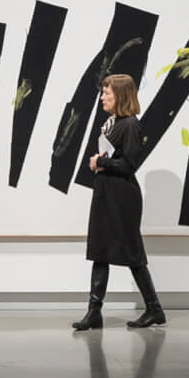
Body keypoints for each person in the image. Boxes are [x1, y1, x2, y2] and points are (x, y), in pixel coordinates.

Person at [72, 74, 164, 332]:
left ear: (121, 96)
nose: (102, 97)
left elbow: (130, 163)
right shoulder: (112, 123)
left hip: (122, 196)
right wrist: (100, 162)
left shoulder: (131, 125)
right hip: (106, 191)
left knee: (132, 253)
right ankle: (94, 312)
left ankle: (154, 308)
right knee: (100, 250)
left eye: (107, 94)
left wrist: (100, 162)